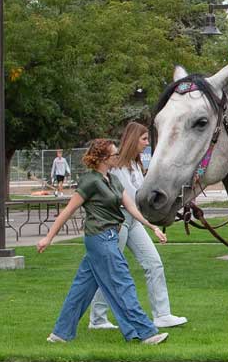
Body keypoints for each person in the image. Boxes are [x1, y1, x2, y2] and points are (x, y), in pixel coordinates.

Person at [37, 139, 170, 346]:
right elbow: (68, 211)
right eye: (114, 155)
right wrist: (49, 237)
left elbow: (131, 208)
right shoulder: (90, 181)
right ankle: (146, 333)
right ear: (103, 158)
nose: (118, 157)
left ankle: (60, 334)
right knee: (122, 283)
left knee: (82, 288)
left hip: (110, 237)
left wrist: (152, 227)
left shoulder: (113, 180)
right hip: (99, 238)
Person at [86, 122, 187, 330]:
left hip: (134, 221)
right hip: (119, 221)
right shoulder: (118, 166)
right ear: (133, 140)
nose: (147, 143)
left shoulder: (135, 165)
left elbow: (141, 194)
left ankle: (162, 315)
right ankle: (97, 318)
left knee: (154, 263)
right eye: (144, 139)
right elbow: (132, 198)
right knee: (110, 269)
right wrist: (152, 223)